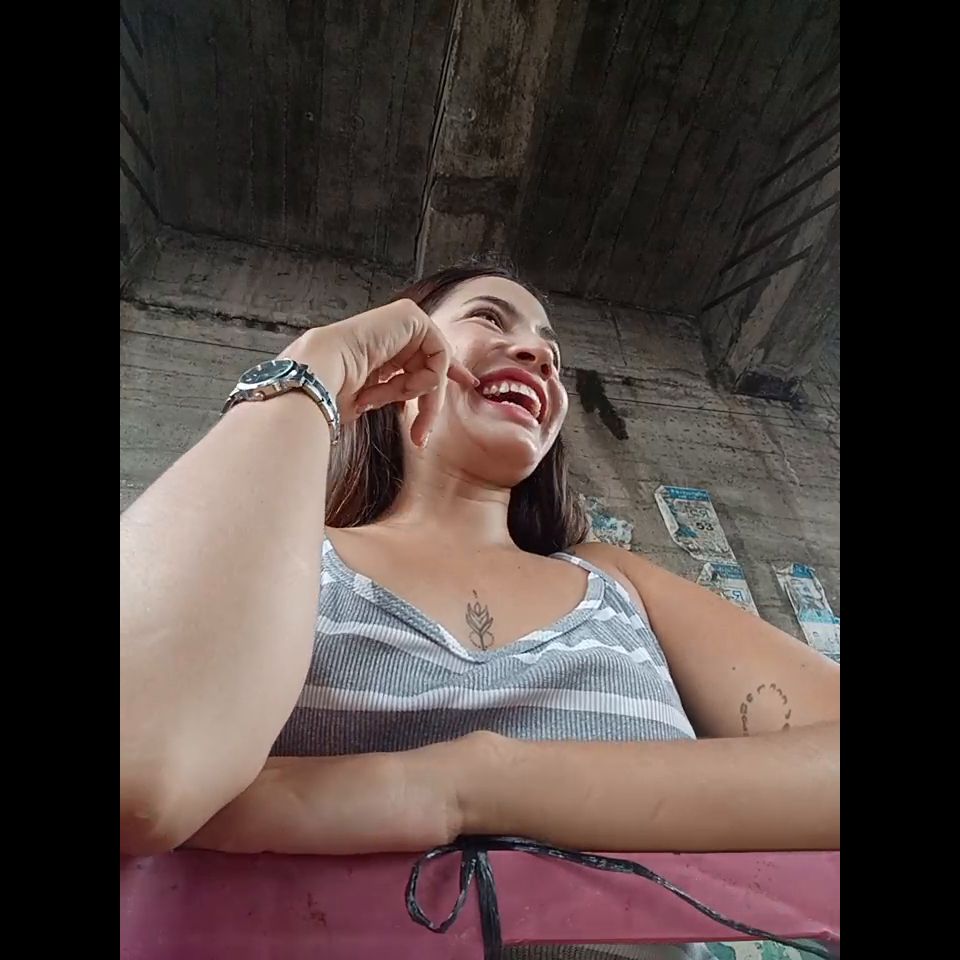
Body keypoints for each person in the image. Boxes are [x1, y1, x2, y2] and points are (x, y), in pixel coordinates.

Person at [120, 264, 839, 874]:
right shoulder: (294, 555)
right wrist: (314, 367)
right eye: (490, 318)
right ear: (396, 355)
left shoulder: (620, 584)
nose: (538, 355)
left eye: (551, 352)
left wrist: (460, 783)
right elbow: (140, 772)